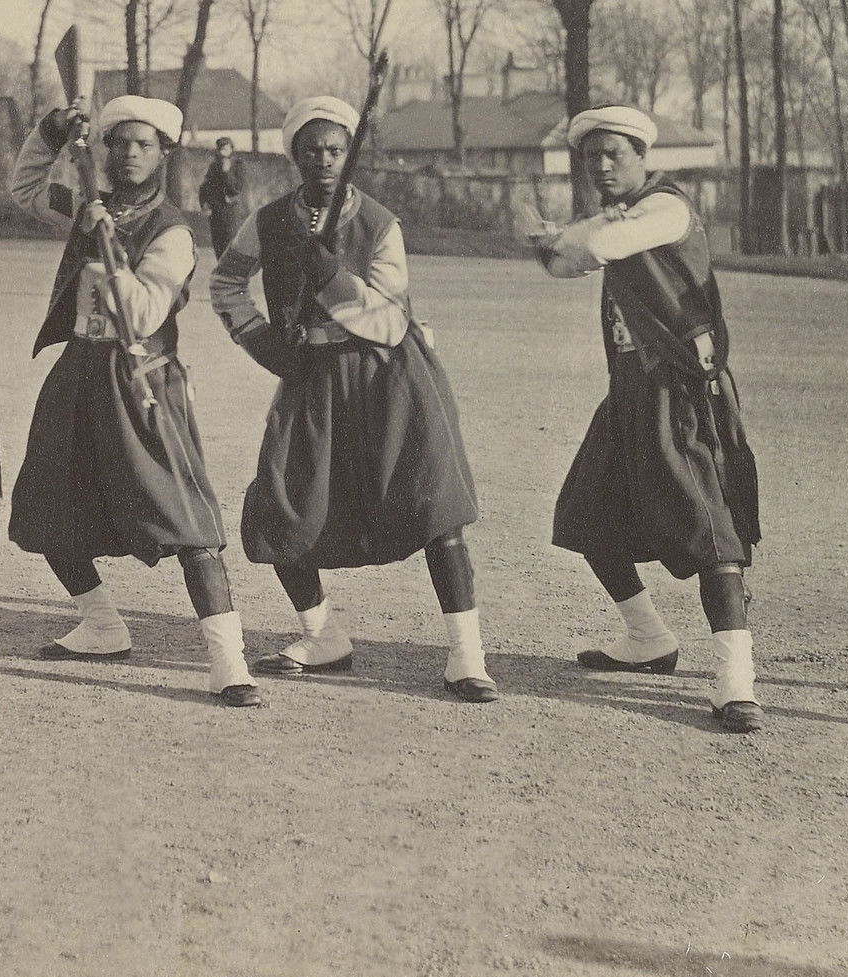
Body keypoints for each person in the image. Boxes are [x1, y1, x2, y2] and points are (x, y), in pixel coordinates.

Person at [211, 95, 496, 704]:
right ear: (294, 156)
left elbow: (391, 321)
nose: (323, 161)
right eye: (311, 150)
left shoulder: (381, 224)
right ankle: (323, 635)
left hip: (389, 379)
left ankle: (465, 656)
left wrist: (331, 278)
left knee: (433, 505)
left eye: (335, 150)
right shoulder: (267, 221)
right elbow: (226, 282)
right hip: (310, 378)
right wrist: (263, 343)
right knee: (280, 507)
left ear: (350, 155)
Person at [8, 93, 261, 709]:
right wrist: (50, 131)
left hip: (141, 379)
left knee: (185, 520)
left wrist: (108, 250)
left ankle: (228, 661)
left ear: (165, 153)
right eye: (117, 142)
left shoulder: (172, 230)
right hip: (78, 372)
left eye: (142, 144)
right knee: (46, 508)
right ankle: (101, 625)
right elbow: (25, 191)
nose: (127, 154)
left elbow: (143, 313)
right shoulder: (88, 206)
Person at [528, 106, 765, 733]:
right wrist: (548, 243)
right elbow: (561, 265)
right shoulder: (622, 213)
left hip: (682, 389)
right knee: (586, 514)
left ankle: (735, 679)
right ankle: (647, 636)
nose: (602, 166)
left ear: (643, 157)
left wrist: (564, 232)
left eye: (616, 154)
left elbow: (603, 244)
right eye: (592, 157)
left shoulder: (667, 208)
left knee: (709, 530)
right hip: (632, 389)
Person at [198, 136, 247, 259]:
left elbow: (236, 189)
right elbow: (204, 187)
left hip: (230, 211)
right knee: (218, 244)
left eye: (226, 149)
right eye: (220, 149)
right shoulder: (214, 166)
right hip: (216, 211)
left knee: (231, 244)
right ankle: (220, 272)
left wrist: (227, 173)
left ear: (231, 149)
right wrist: (204, 203)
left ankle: (231, 273)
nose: (223, 152)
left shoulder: (237, 165)